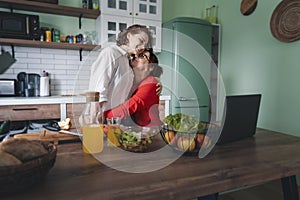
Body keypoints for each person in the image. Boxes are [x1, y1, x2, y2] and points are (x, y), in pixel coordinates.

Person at [89, 24, 161, 114]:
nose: (143, 47)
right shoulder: (110, 53)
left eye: (145, 44)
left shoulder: (127, 60)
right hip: (102, 117)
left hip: (115, 121)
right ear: (129, 35)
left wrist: (157, 81)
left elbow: (138, 84)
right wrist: (94, 119)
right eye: (141, 41)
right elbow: (97, 91)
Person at [104, 48, 163, 127]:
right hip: (136, 130)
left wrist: (102, 116)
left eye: (142, 56)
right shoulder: (129, 82)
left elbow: (129, 107)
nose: (135, 57)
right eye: (134, 55)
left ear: (151, 66)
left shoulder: (151, 82)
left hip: (151, 131)